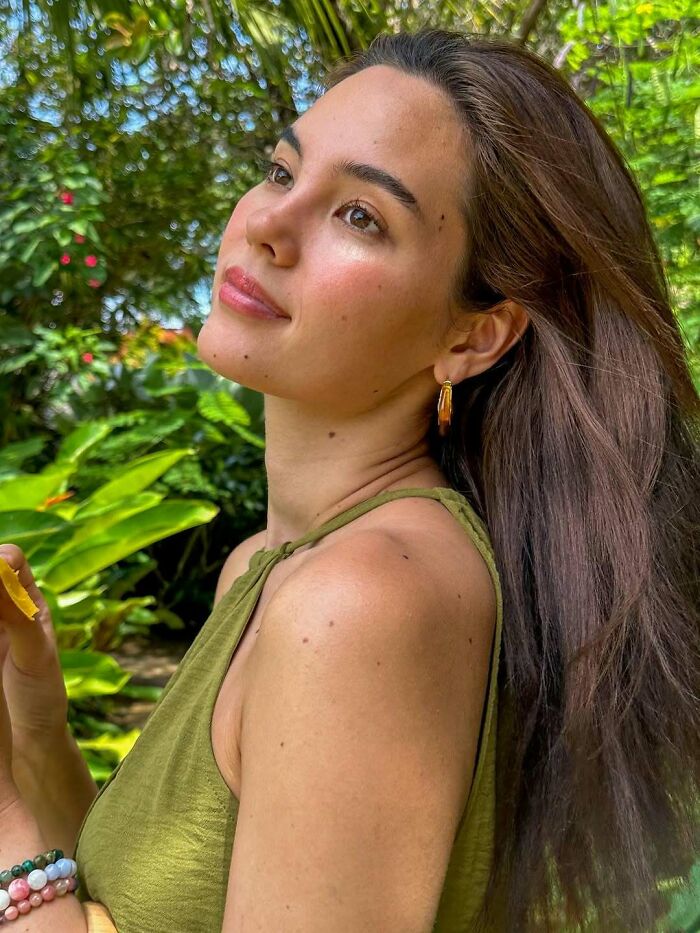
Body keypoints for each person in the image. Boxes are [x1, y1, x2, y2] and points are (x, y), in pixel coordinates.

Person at [0, 26, 698, 933]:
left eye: (362, 215)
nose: (268, 224)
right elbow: (121, 902)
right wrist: (37, 726)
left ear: (472, 335)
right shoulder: (270, 564)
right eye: (284, 172)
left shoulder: (362, 600)